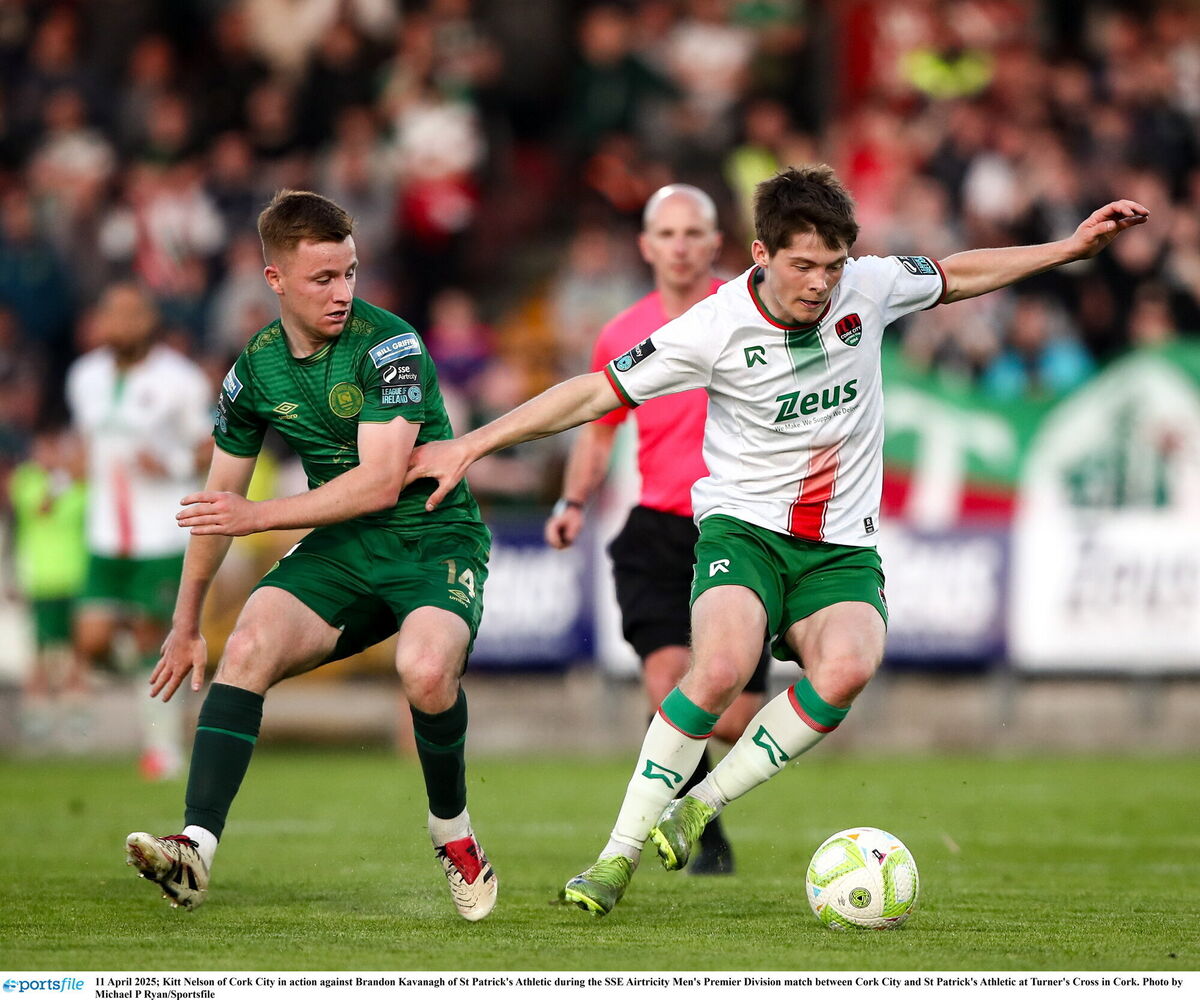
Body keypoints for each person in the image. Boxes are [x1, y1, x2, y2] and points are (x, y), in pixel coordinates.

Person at [405, 165, 1149, 916]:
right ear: (760, 254)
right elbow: (597, 390)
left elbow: (955, 275)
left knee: (853, 665)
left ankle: (701, 807)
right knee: (721, 667)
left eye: (832, 266)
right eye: (803, 266)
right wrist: (473, 444)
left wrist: (1066, 249)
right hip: (746, 532)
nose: (821, 284)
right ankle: (613, 859)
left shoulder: (870, 285)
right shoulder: (714, 325)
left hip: (839, 546)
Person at [123, 190, 498, 921]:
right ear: (275, 280)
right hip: (342, 547)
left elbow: (381, 480)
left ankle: (453, 832)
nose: (342, 292)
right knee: (249, 644)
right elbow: (215, 504)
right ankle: (195, 847)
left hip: (433, 538)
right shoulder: (255, 370)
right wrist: (186, 622)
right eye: (323, 278)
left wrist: (259, 516)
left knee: (424, 672)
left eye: (350, 273)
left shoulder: (389, 345)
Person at [544, 183, 768, 875]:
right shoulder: (621, 332)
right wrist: (573, 502)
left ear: (714, 243)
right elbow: (599, 430)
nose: (679, 246)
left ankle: (697, 806)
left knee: (731, 716)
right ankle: (698, 832)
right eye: (665, 234)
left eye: (692, 233)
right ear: (646, 246)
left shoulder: (751, 312)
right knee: (671, 683)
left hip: (736, 527)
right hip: (658, 531)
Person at [67, 282, 214, 779]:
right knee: (90, 639)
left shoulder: (182, 380)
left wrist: (170, 462)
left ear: (149, 320)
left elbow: (209, 446)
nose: (121, 325)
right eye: (112, 314)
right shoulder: (84, 377)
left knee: (155, 640)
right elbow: (86, 448)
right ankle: (149, 694)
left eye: (132, 315)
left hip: (160, 534)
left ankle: (164, 750)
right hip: (105, 533)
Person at [6, 424, 88, 749]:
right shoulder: (27, 481)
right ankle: (37, 719)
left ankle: (77, 717)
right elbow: (42, 507)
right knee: (40, 650)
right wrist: (64, 477)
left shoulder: (80, 485)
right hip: (41, 579)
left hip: (77, 576)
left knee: (78, 651)